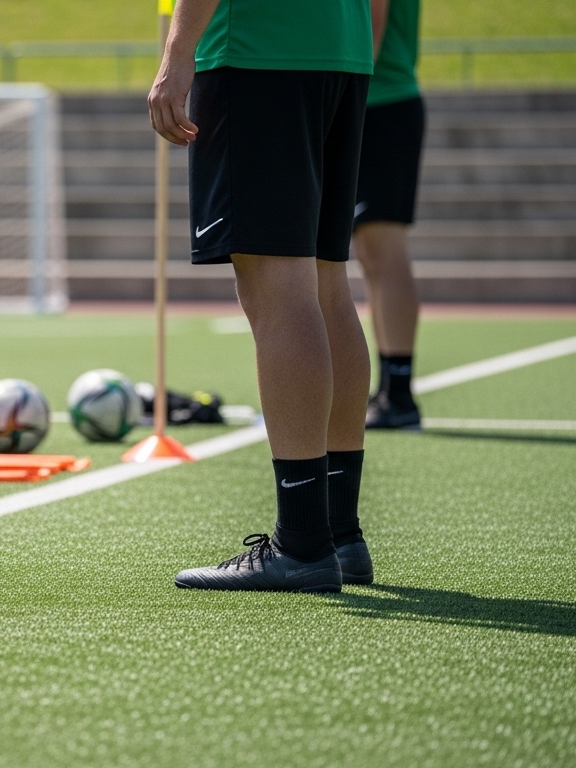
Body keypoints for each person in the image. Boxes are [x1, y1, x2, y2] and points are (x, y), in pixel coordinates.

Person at [148, 0, 375, 591]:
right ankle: (339, 532)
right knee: (327, 282)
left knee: (278, 287)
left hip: (260, 52)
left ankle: (303, 542)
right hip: (341, 51)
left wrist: (178, 53)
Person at [356, 0, 424, 430]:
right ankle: (389, 388)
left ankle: (398, 391)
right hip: (377, 103)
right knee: (370, 252)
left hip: (380, 103)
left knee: (383, 247)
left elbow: (372, 26)